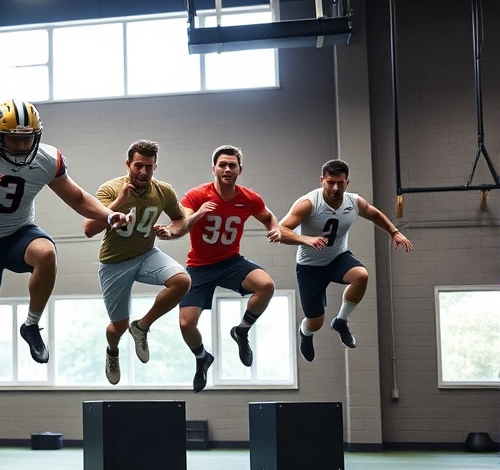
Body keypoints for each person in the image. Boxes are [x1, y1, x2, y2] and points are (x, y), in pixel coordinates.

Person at [0, 99, 128, 396]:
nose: (22, 145)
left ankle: (31, 325)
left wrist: (108, 214)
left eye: (28, 138)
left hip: (19, 233)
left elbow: (77, 198)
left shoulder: (48, 158)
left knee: (47, 253)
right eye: (14, 138)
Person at [272, 159, 412, 362]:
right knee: (316, 321)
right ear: (322, 181)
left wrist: (394, 231)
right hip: (310, 266)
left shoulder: (353, 202)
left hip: (337, 257)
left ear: (347, 183)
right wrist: (306, 239)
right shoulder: (309, 203)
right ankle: (305, 333)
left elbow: (375, 214)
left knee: (361, 275)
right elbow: (279, 232)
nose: (335, 188)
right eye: (330, 182)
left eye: (340, 183)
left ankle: (341, 321)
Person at [83, 140, 196, 386]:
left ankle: (142, 326)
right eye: (138, 166)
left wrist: (171, 230)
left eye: (149, 167)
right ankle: (112, 352)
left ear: (155, 166)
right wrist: (119, 202)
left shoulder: (164, 191)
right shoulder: (110, 189)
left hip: (146, 254)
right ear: (128, 165)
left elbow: (180, 219)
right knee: (117, 326)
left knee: (182, 281)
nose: (143, 172)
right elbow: (89, 229)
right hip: (114, 263)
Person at [176, 145, 280, 392]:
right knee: (185, 324)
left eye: (232, 165)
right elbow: (181, 225)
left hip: (231, 261)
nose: (227, 169)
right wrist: (200, 213)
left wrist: (274, 228)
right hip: (200, 267)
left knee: (266, 285)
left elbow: (268, 217)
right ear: (214, 168)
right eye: (222, 164)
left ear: (239, 170)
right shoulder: (197, 195)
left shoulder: (249, 197)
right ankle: (202, 358)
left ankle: (241, 331)